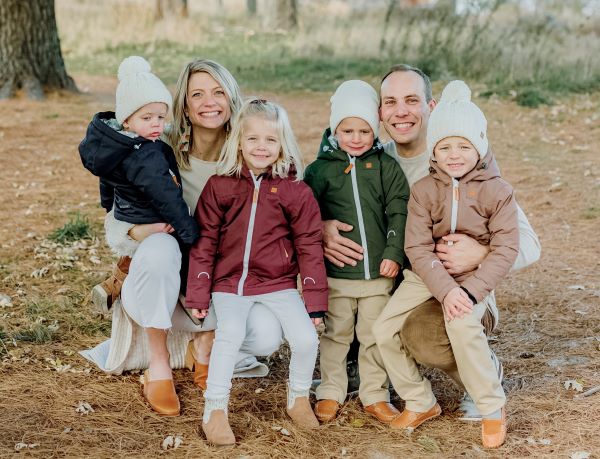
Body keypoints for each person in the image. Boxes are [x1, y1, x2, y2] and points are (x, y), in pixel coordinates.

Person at [321, 64, 540, 415]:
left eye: (412, 100)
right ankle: (362, 365)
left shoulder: (460, 158)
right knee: (361, 310)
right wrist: (322, 226)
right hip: (398, 281)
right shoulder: (370, 160)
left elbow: (528, 242)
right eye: (390, 102)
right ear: (379, 112)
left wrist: (481, 253)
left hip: (458, 284)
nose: (401, 111)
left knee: (425, 337)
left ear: (432, 107)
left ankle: (479, 378)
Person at [79, 59, 284, 417]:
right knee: (160, 247)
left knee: (268, 334)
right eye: (198, 94)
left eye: (219, 92)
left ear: (232, 98)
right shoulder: (155, 143)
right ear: (184, 104)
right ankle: (158, 362)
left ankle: (202, 344)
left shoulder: (251, 150)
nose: (210, 102)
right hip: (165, 282)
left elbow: (286, 204)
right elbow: (116, 217)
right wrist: (138, 231)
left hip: (220, 282)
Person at [186, 98, 327, 446]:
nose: (261, 147)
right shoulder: (221, 186)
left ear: (282, 144)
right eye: (253, 139)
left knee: (307, 339)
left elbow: (309, 245)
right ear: (239, 141)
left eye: (271, 140)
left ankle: (297, 398)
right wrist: (199, 292)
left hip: (277, 283)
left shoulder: (295, 192)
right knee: (229, 334)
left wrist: (314, 303)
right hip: (229, 282)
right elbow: (204, 242)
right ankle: (215, 410)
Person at [390, 80, 518, 449]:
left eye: (464, 146)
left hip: (475, 280)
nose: (455, 154)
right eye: (444, 147)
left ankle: (491, 405)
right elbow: (415, 244)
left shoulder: (498, 190)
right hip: (430, 279)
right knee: (384, 329)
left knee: (462, 324)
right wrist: (446, 290)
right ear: (434, 150)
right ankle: (419, 400)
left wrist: (471, 288)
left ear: (480, 147)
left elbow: (510, 246)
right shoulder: (425, 189)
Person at [303, 80, 410, 424]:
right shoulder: (319, 171)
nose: (356, 137)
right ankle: (331, 390)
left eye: (364, 129)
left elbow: (399, 210)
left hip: (378, 274)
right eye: (347, 129)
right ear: (335, 128)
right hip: (337, 276)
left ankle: (374, 393)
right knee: (336, 335)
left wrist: (393, 251)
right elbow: (306, 214)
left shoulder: (385, 166)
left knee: (374, 336)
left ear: (374, 128)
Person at [79, 56, 199, 315]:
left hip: (127, 211)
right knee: (186, 245)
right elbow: (165, 195)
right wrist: (188, 230)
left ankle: (119, 277)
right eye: (147, 117)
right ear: (126, 119)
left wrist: (109, 208)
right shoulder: (145, 155)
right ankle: (190, 295)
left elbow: (106, 180)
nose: (156, 124)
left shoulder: (116, 145)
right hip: (150, 213)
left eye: (160, 116)